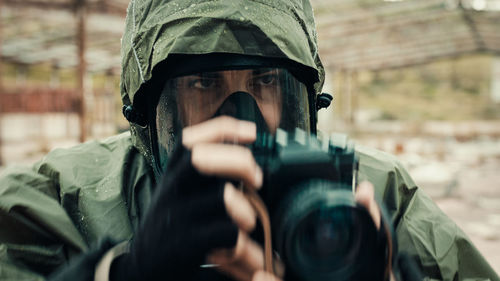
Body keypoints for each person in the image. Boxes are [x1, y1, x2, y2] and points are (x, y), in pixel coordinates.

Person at [0, 0, 498, 280]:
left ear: (306, 102)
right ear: (149, 116)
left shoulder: (375, 195)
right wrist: (123, 272)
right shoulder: (57, 203)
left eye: (265, 84)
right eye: (203, 83)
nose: (243, 120)